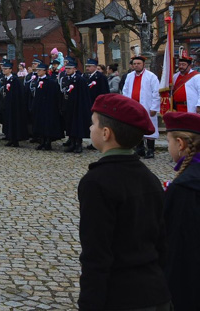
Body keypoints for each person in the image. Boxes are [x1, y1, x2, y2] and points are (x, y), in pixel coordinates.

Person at [78, 93, 171, 311]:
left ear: (106, 133)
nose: (90, 129)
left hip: (121, 296)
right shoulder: (149, 178)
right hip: (156, 292)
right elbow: (162, 243)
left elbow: (96, 254)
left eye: (93, 124)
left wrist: (89, 303)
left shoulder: (96, 182)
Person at [161, 111, 200, 310]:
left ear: (180, 144)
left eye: (168, 142)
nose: (168, 147)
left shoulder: (184, 187)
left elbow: (174, 242)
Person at [122, 55, 161, 159]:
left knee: (150, 126)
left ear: (143, 64)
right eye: (134, 64)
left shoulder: (151, 76)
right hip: (134, 107)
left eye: (138, 63)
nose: (136, 66)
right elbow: (125, 91)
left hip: (147, 106)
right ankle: (140, 149)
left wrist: (154, 107)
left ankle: (151, 150)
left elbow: (156, 93)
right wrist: (127, 104)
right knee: (136, 127)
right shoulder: (129, 76)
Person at [61, 57, 92, 154]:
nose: (67, 70)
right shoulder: (65, 79)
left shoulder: (79, 79)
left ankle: (78, 144)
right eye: (66, 68)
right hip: (68, 105)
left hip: (78, 106)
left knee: (77, 125)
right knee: (69, 124)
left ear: (74, 69)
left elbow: (84, 95)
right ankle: (72, 142)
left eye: (69, 68)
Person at [0, 58, 26, 147]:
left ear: (10, 69)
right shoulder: (4, 79)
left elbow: (19, 94)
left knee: (14, 122)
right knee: (7, 122)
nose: (4, 70)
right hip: (6, 104)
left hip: (14, 105)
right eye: (3, 69)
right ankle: (9, 137)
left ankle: (15, 139)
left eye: (6, 69)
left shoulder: (15, 80)